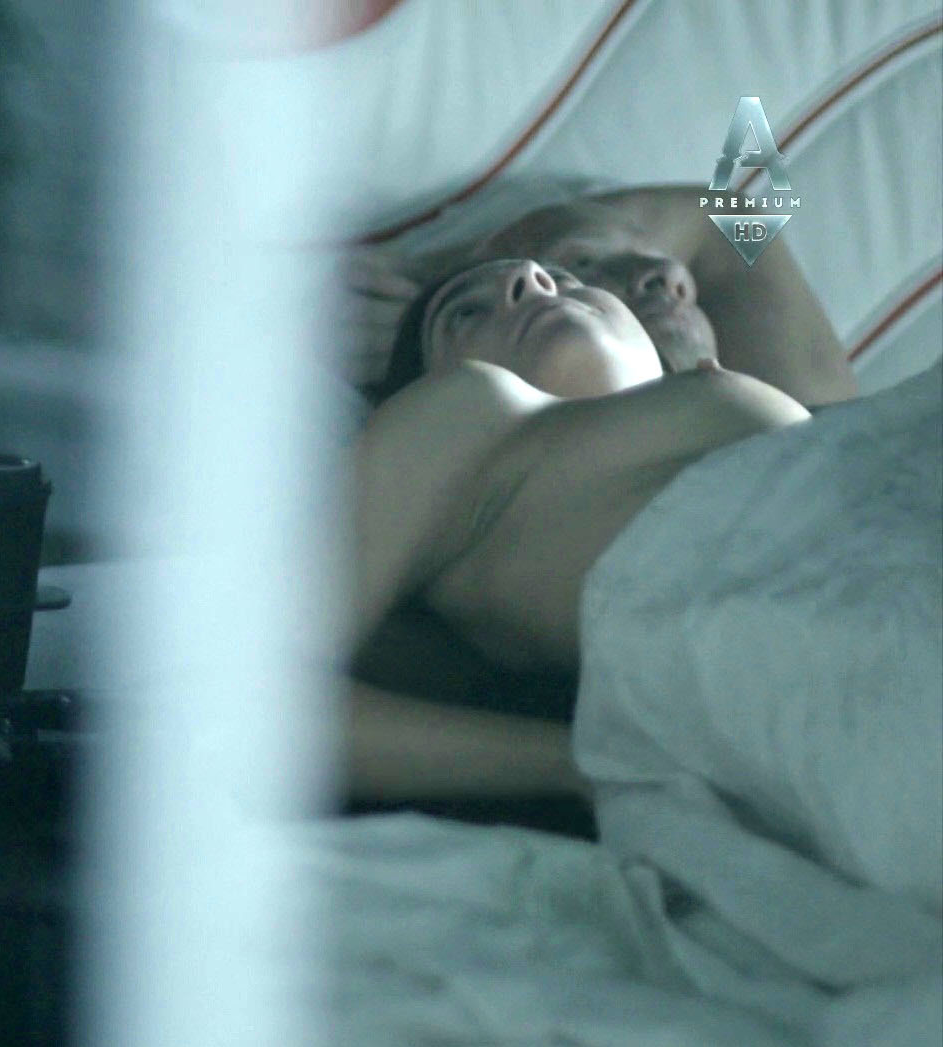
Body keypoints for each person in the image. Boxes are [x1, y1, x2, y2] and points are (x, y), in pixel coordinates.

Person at [340, 255, 816, 802]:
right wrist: (584, 765)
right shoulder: (472, 410)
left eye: (568, 278)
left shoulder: (745, 389)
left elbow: (749, 215)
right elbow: (266, 698)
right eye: (465, 314)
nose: (532, 278)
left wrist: (629, 237)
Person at [346, 185, 858, 409]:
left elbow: (730, 214)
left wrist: (439, 288)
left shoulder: (812, 433)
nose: (672, 274)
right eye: (583, 268)